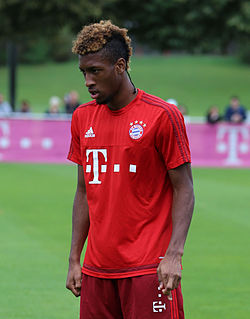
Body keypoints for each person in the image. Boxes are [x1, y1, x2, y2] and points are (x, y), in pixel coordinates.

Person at [66, 20, 194, 319]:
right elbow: (83, 189)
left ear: (120, 66)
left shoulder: (163, 116)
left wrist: (174, 255)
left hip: (149, 268)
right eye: (84, 72)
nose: (87, 81)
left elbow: (184, 187)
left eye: (95, 71)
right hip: (96, 271)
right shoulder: (82, 118)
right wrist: (75, 258)